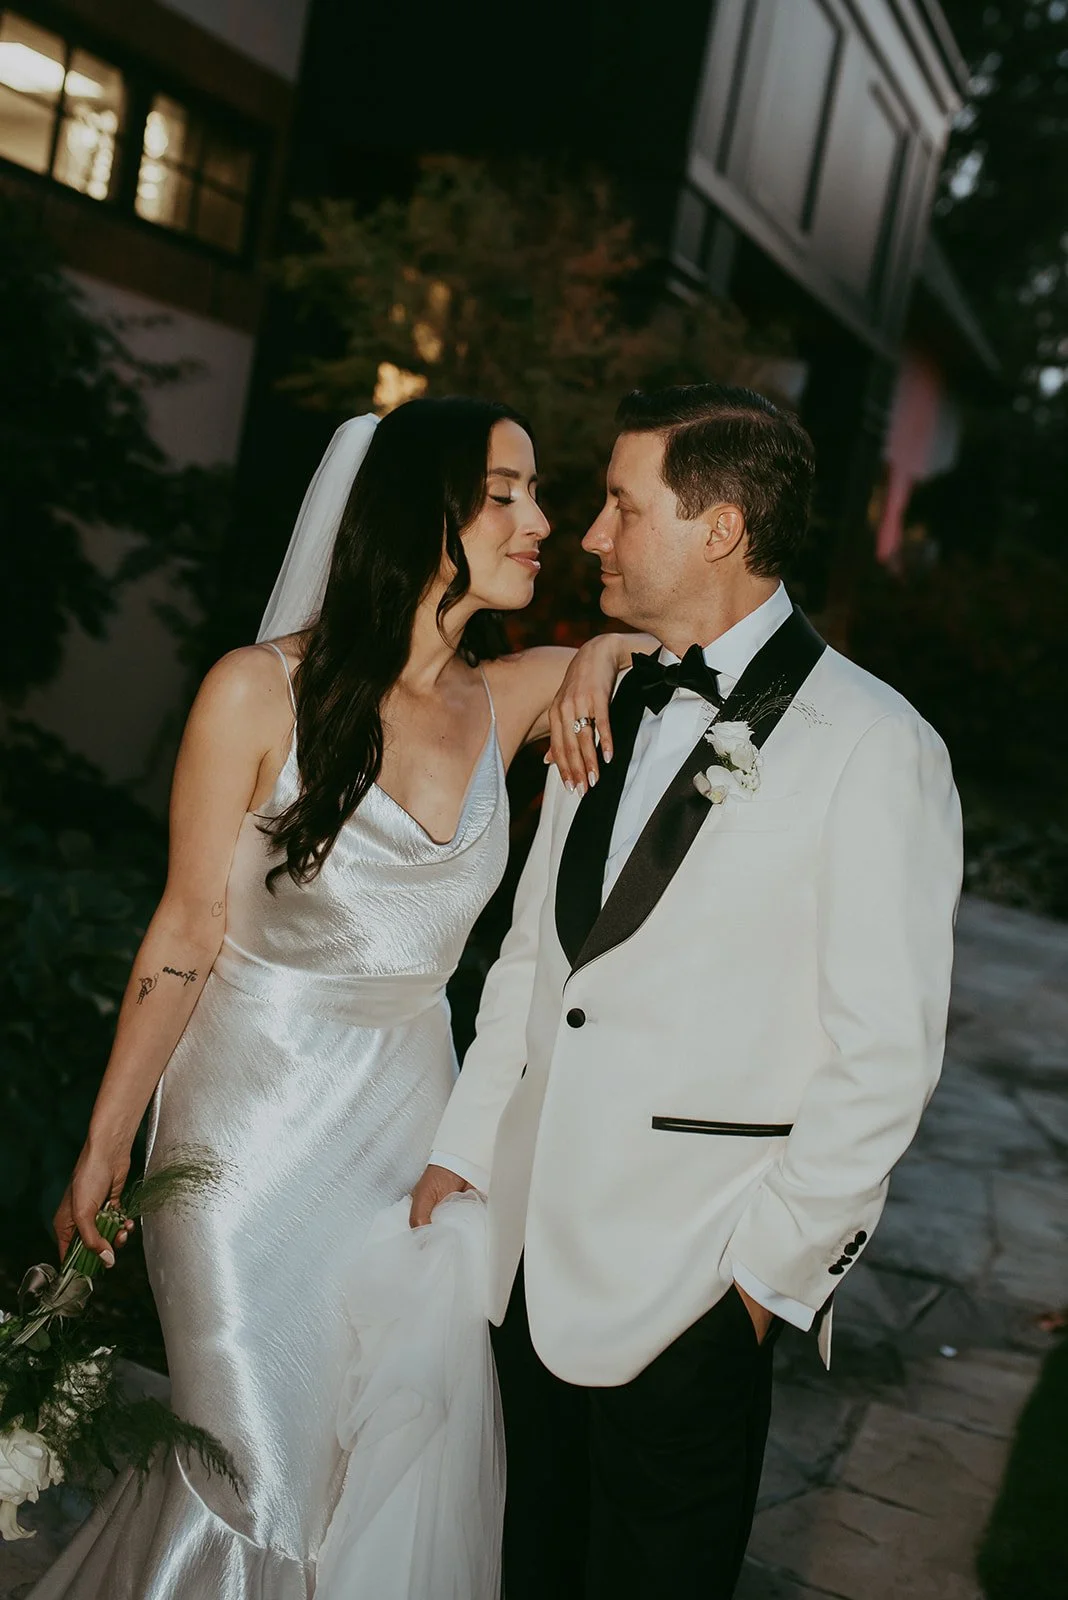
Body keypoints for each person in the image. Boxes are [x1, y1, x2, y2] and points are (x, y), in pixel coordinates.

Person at [32, 397, 642, 1600]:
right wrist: (108, 1139)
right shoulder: (256, 694)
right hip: (243, 1136)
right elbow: (184, 931)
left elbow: (659, 655)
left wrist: (614, 651)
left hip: (410, 1127)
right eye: (508, 492)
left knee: (359, 1475)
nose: (543, 521)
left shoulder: (511, 696)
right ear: (424, 517)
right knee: (254, 1467)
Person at [412, 383, 964, 1599]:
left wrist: (764, 1282)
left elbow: (885, 1056)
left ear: (717, 528)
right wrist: (466, 1149)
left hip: (692, 1287)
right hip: (518, 1265)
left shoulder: (879, 747)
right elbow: (532, 963)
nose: (593, 535)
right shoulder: (600, 695)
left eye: (622, 504)